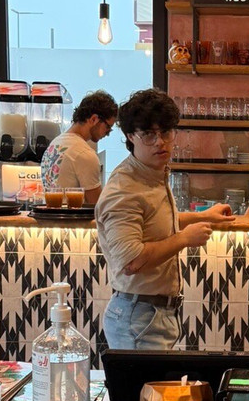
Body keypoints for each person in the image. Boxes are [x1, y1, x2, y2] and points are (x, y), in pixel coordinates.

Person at [96, 88, 232, 350]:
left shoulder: (151, 173)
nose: (160, 142)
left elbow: (153, 221)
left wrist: (203, 217)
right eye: (148, 134)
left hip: (151, 314)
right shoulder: (125, 189)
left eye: (166, 132)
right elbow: (131, 261)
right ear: (130, 137)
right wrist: (184, 239)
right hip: (138, 319)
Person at [40, 89, 118, 205]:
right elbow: (97, 206)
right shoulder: (84, 154)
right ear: (94, 119)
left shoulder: (55, 143)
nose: (108, 133)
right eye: (108, 127)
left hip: (51, 215)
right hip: (73, 216)